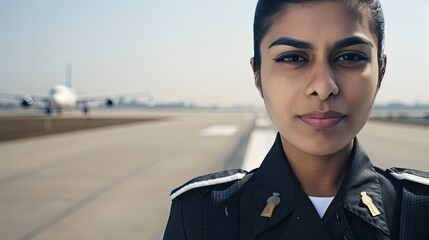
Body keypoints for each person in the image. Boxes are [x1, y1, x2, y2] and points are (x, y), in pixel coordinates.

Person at [163, 0, 429, 239]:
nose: (324, 87)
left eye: (349, 57)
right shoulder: (200, 215)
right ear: (258, 73)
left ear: (381, 71)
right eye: (293, 58)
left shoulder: (421, 209)